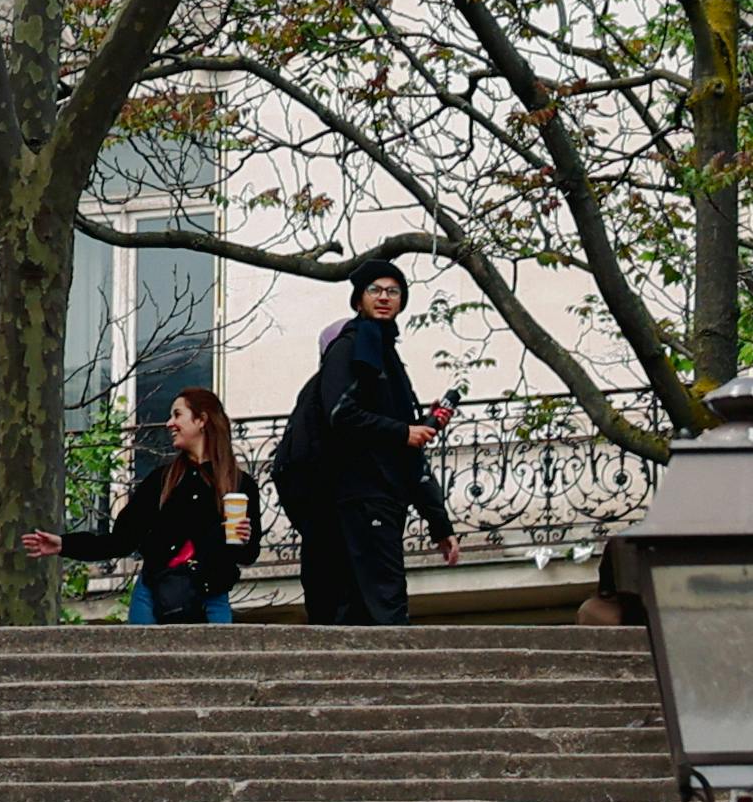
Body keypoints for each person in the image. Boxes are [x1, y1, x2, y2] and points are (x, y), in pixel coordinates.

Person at [282, 261, 442, 627]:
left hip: (371, 496)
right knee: (382, 604)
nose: (384, 297)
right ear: (358, 300)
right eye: (375, 290)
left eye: (393, 291)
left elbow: (408, 454)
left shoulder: (384, 354)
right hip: (362, 495)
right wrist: (403, 431)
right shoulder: (353, 346)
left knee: (359, 605)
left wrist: (440, 523)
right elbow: (341, 413)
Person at [25, 385, 265, 622]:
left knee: (218, 649)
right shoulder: (161, 480)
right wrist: (64, 545)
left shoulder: (240, 485)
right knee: (142, 649)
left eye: (177, 415)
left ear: (201, 420)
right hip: (153, 598)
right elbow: (121, 540)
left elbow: (248, 555)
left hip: (210, 599)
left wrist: (243, 539)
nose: (169, 423)